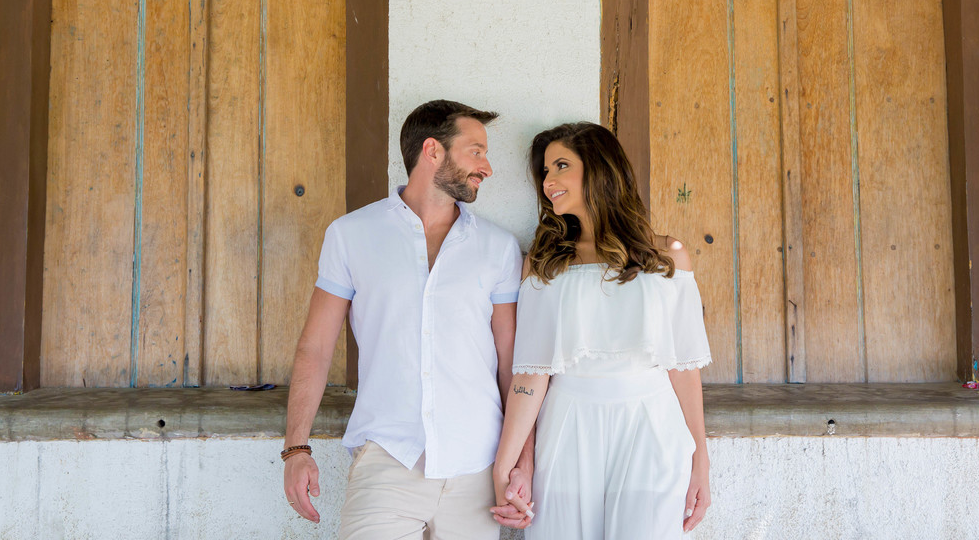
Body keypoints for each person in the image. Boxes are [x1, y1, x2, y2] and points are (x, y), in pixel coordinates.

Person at [282, 100, 534, 538]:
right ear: (432, 151)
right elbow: (316, 347)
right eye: (476, 151)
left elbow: (513, 365)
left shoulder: (498, 248)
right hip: (387, 459)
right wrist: (295, 448)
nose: (487, 167)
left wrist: (522, 461)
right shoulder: (351, 235)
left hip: (477, 468)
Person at [490, 121, 712, 539]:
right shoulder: (545, 264)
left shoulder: (666, 257)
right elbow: (530, 374)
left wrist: (701, 458)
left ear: (599, 170)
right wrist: (507, 463)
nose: (548, 180)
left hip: (651, 424)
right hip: (568, 423)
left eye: (560, 166)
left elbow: (684, 368)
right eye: (545, 171)